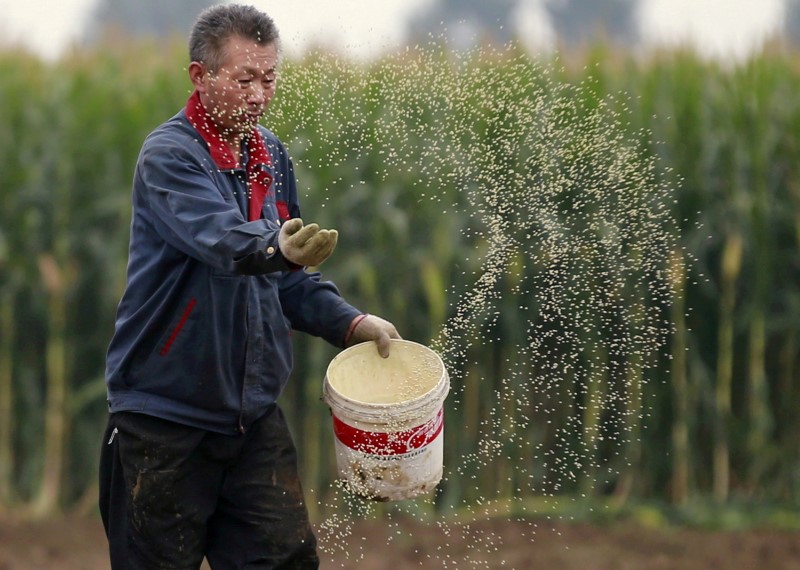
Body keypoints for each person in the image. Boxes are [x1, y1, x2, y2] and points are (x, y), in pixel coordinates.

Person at [98, 4, 400, 568]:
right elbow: (221, 240)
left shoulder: (271, 157)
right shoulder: (168, 156)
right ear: (200, 76)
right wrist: (274, 248)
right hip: (164, 423)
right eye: (244, 79)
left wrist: (351, 323)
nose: (259, 95)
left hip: (252, 421)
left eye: (270, 78)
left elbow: (285, 280)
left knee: (286, 561)